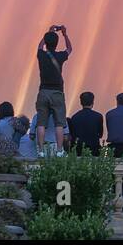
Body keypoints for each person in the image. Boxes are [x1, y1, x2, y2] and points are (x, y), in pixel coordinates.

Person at [35, 24, 73, 153]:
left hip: (43, 91)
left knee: (41, 123)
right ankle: (59, 150)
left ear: (46, 43)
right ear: (56, 44)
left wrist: (48, 33)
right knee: (59, 123)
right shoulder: (60, 56)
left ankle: (40, 150)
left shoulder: (41, 55)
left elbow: (39, 47)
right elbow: (69, 49)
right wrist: (65, 34)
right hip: (57, 92)